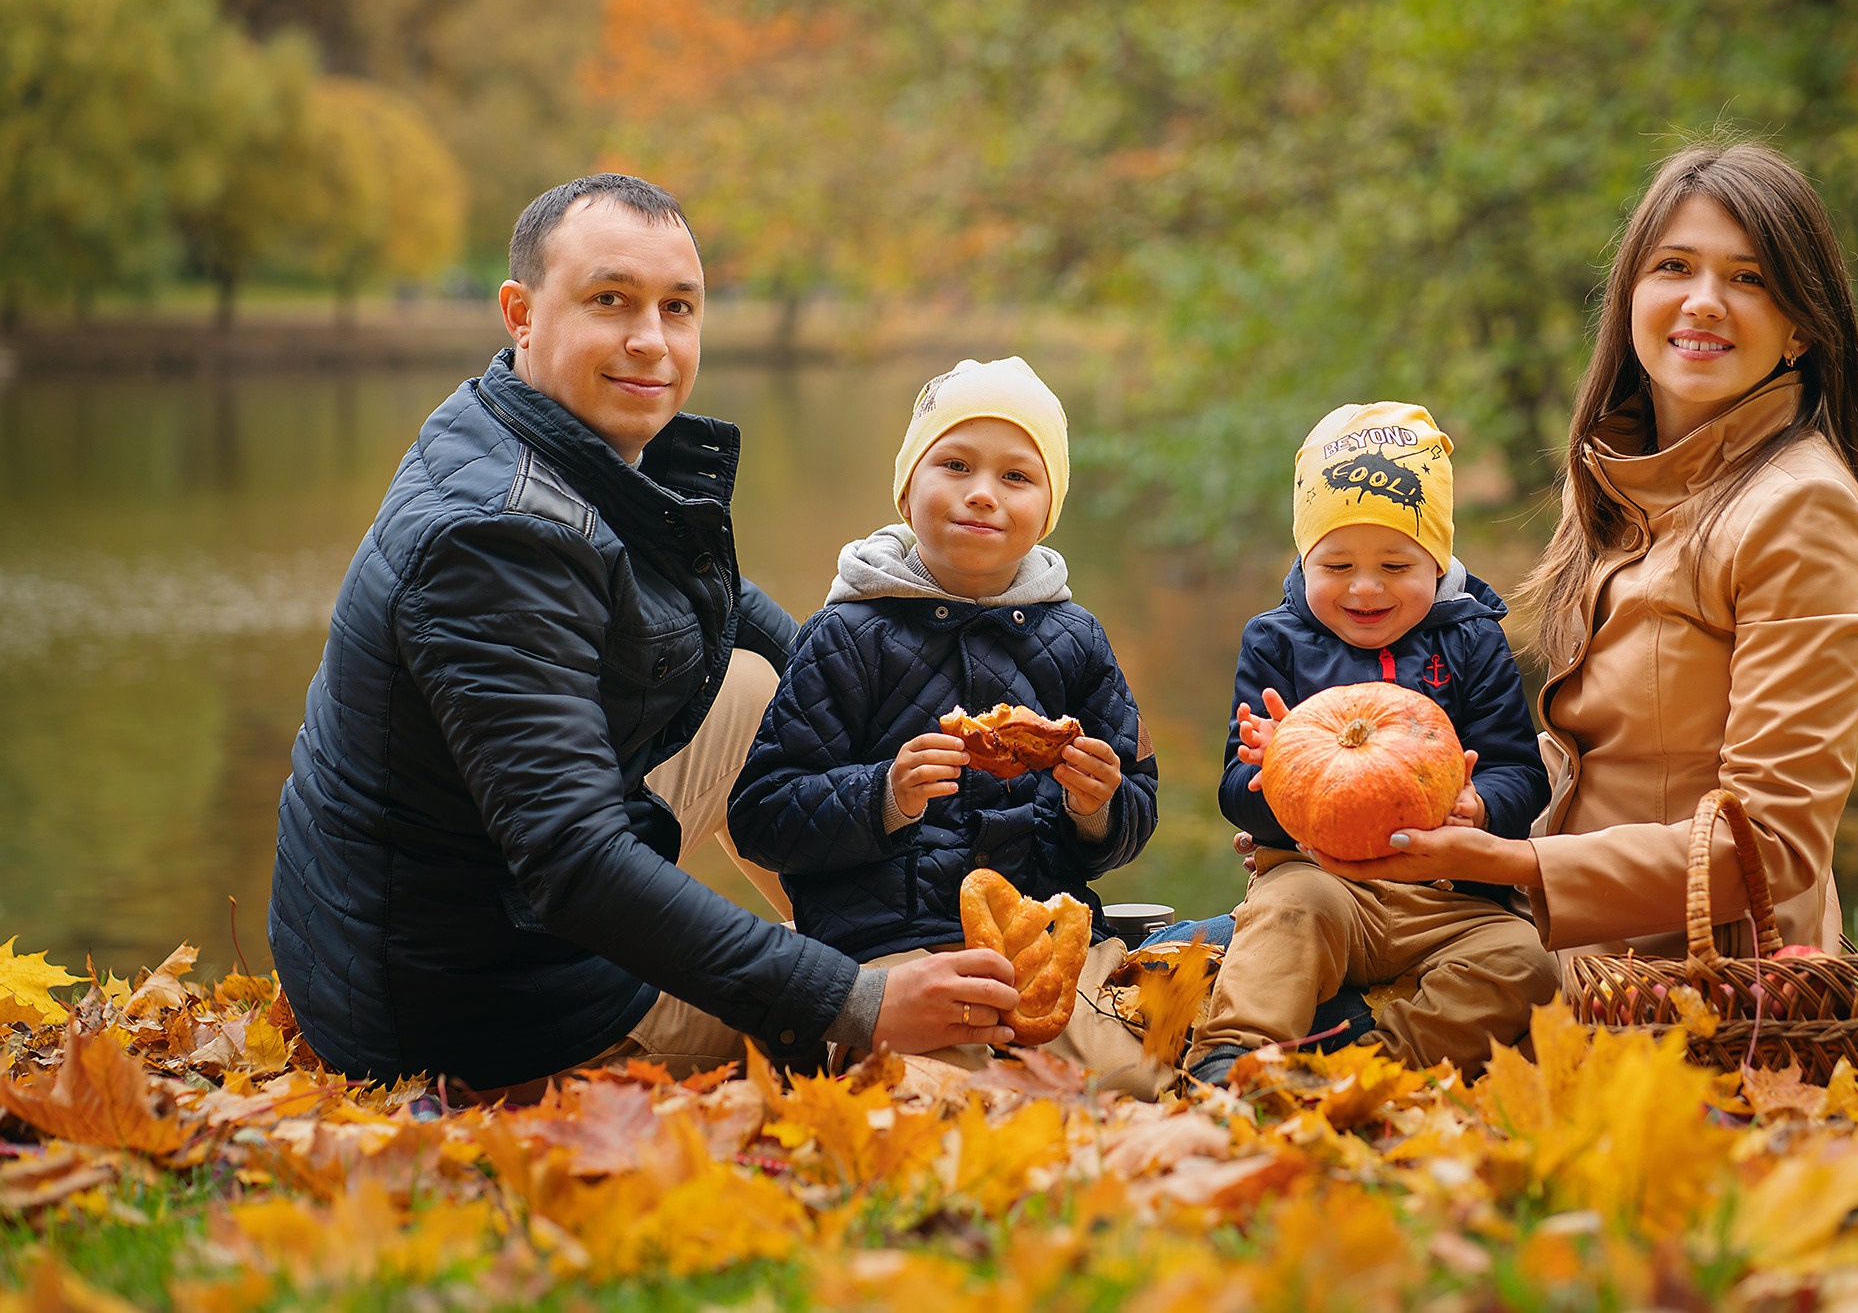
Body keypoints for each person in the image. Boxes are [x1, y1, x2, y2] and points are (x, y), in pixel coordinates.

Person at [267, 174, 1020, 1097]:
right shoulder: (493, 540)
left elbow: (746, 626)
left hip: (447, 917)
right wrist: (854, 1003)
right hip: (469, 1008)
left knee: (760, 687)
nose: (651, 340)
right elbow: (576, 863)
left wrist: (943, 730)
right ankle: (889, 985)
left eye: (677, 307)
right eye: (609, 300)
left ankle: (899, 933)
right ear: (521, 314)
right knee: (945, 1057)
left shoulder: (539, 434)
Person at [1306, 142, 1858, 971]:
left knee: (1296, 1002)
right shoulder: (1618, 477)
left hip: (1689, 974)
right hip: (1537, 931)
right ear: (1630, 296)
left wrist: (1512, 864)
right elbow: (1580, 759)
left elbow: (1769, 846)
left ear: (1799, 326)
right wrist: (1436, 810)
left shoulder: (1801, 510)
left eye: (1748, 279)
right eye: (1673, 266)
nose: (1702, 302)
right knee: (1247, 938)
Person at [732, 357, 1161, 1082]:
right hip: (888, 947)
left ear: (1047, 511)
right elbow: (761, 817)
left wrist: (1098, 807)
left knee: (1126, 1082)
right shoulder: (847, 636)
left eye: (1016, 476)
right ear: (907, 492)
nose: (982, 493)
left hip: (1045, 944)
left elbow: (1135, 809)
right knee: (936, 1092)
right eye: (955, 465)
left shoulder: (1077, 639)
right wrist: (884, 795)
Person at [1181, 403, 1556, 1087]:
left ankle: (1376, 1067)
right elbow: (1234, 794)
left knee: (1524, 962)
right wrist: (1272, 772)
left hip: (1449, 896)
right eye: (1336, 564)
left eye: (1395, 564)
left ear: (1436, 562)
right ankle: (1231, 1058)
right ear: (1304, 559)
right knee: (1284, 913)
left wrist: (1480, 807)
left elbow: (1519, 771)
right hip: (1320, 883)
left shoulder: (1472, 640)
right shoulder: (1276, 641)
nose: (1364, 586)